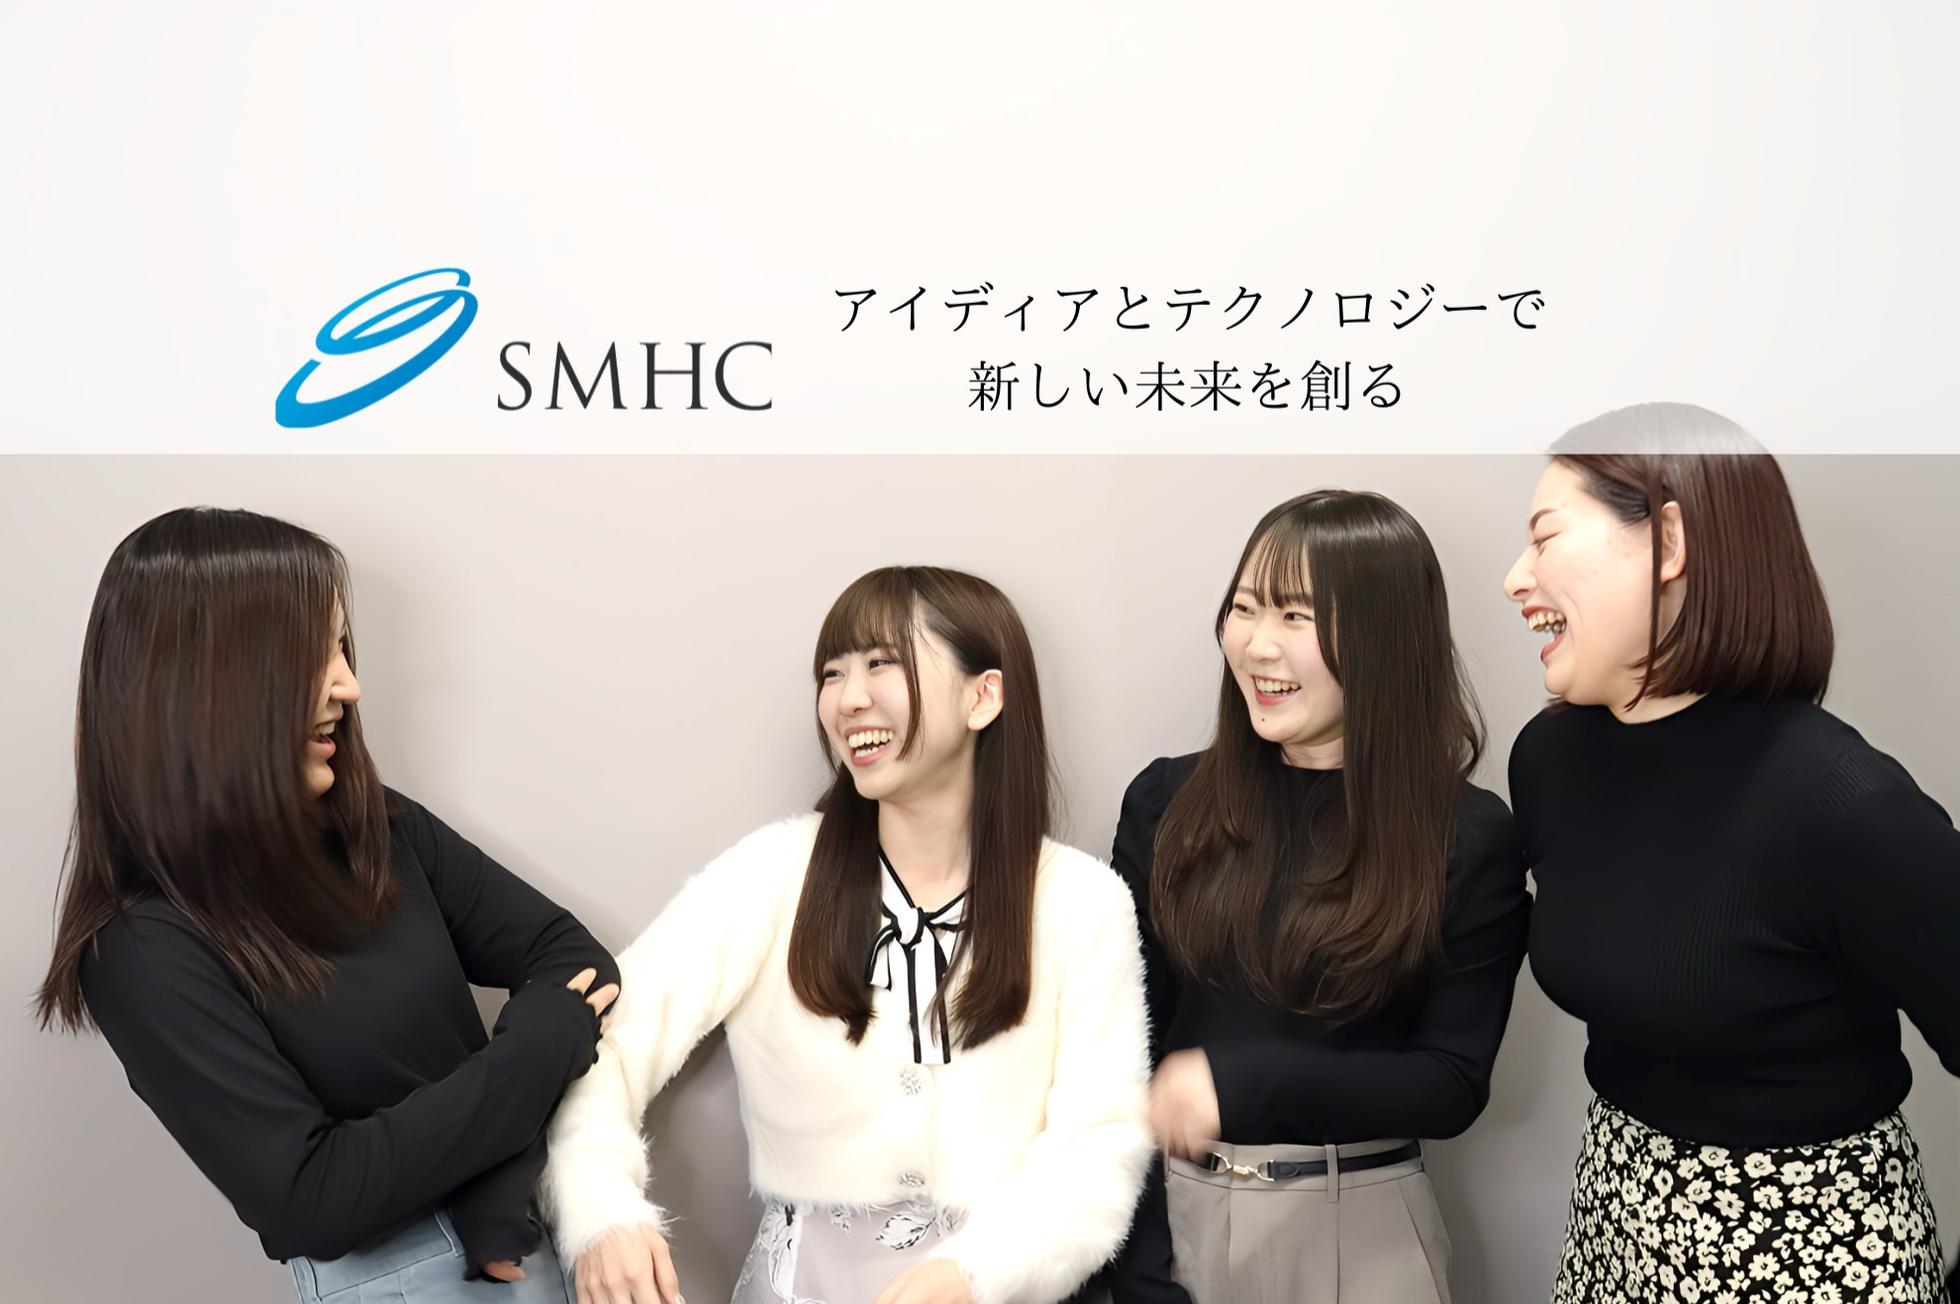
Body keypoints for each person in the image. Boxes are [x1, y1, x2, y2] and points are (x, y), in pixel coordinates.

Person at [36, 506, 618, 1302]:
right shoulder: (140, 947)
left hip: (524, 1234)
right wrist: (538, 1049)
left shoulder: (381, 828)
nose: (348, 684)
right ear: (205, 682)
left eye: (342, 647)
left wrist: (498, 1178)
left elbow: (574, 958)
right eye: (313, 653)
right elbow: (311, 1200)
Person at [541, 565, 1152, 1304]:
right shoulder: (772, 874)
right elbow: (600, 1042)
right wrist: (601, 1209)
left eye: (882, 663)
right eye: (832, 673)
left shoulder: (1083, 901)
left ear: (983, 696)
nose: (848, 698)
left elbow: (1100, 1147)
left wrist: (974, 1275)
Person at [1504, 403, 1958, 1303]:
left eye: (1545, 538)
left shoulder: (1844, 804)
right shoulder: (1550, 760)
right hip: (1614, 1226)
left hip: (1817, 1254)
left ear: (1670, 542)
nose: (1516, 578)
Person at [1106, 489, 1530, 1304]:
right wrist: (1139, 1258)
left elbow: (1450, 1083)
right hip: (1176, 1220)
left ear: (1383, 636)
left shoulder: (1467, 833)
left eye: (1296, 616)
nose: (1257, 644)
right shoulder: (1164, 803)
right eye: (1244, 608)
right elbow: (1119, 1046)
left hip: (1361, 1227)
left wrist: (1243, 1083)